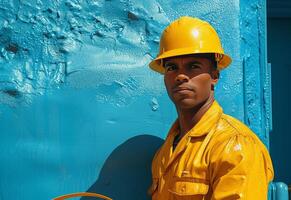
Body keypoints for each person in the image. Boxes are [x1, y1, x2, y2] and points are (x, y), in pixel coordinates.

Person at [147, 16, 274, 200]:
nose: (180, 76)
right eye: (172, 68)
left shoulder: (235, 145)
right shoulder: (166, 151)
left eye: (193, 66)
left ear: (214, 76)